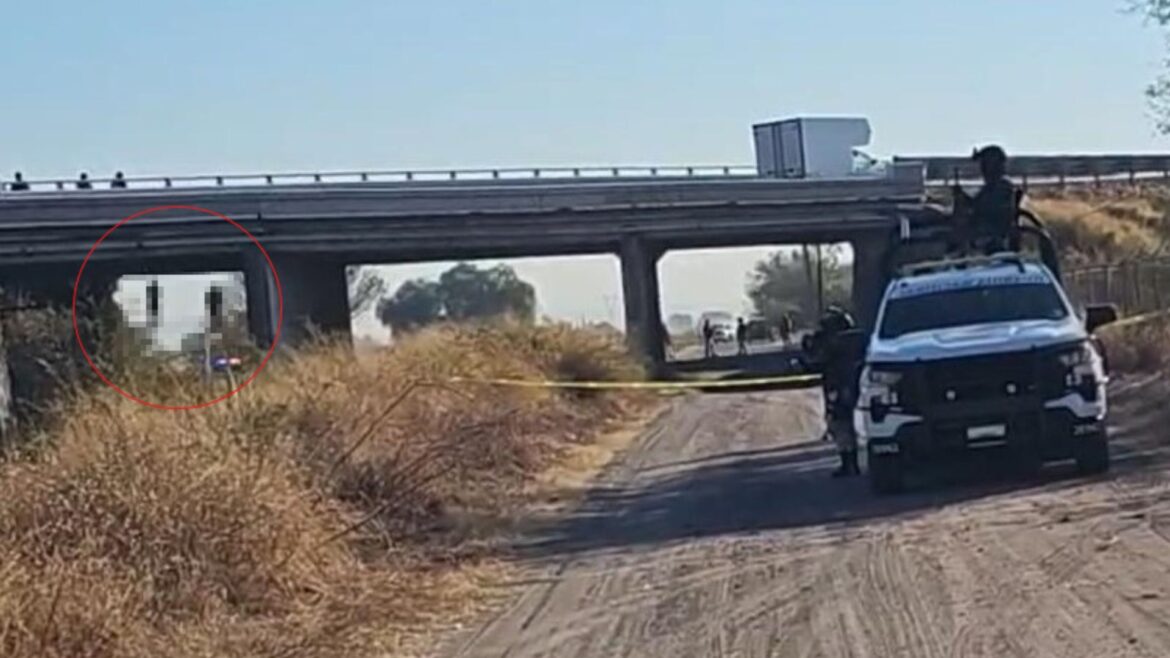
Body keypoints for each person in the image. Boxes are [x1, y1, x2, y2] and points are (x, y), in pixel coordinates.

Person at [952, 145, 1019, 254]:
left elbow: (982, 208)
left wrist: (964, 200)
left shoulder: (1001, 186)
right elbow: (976, 204)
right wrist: (961, 196)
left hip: (990, 233)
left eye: (985, 164)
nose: (982, 169)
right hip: (984, 230)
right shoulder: (993, 185)